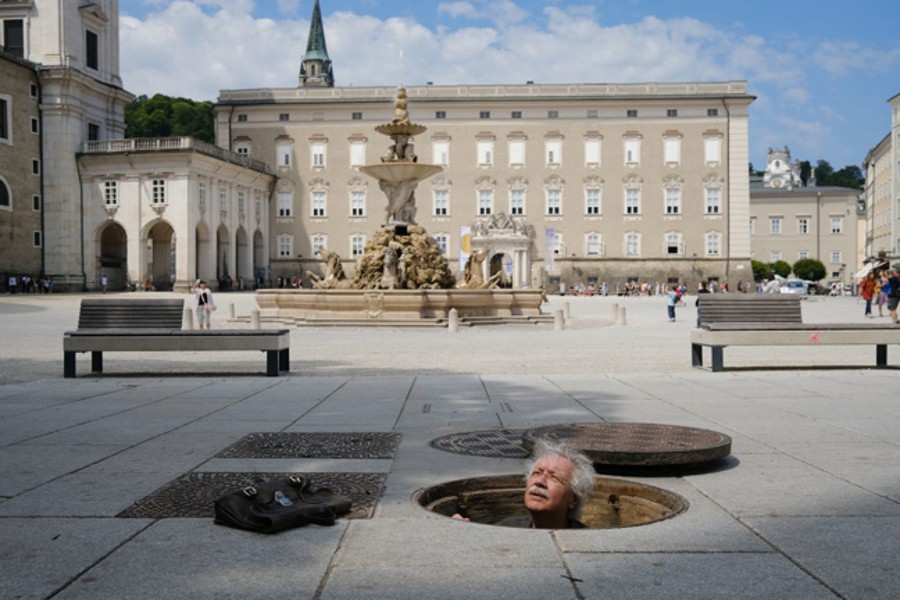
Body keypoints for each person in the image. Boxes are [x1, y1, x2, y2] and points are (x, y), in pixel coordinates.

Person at [453, 440, 596, 529]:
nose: (540, 482)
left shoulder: (587, 544)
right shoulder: (508, 528)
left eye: (554, 478)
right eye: (537, 473)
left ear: (573, 499)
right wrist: (465, 532)